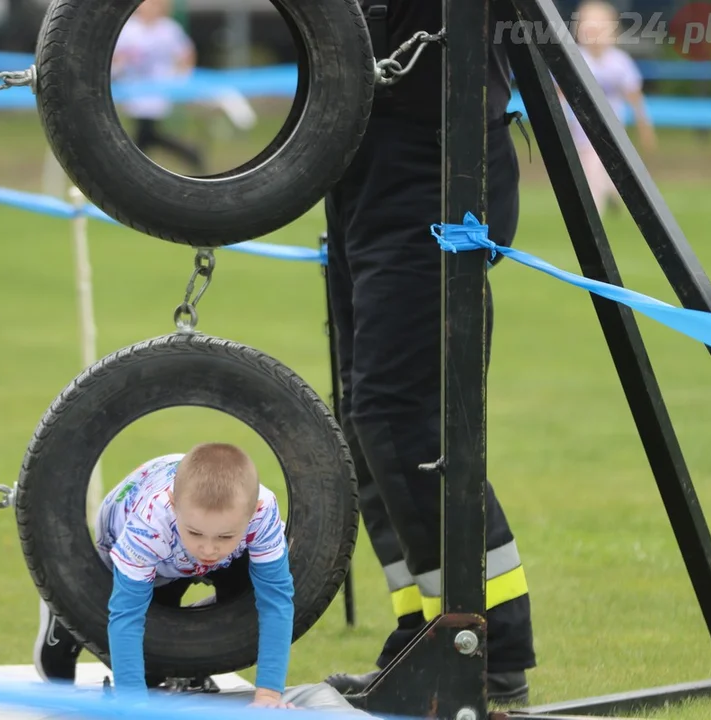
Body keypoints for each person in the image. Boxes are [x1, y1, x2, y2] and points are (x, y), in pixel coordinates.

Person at [319, 2, 536, 706]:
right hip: (359, 157)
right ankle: (424, 637)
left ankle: (490, 646)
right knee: (367, 419)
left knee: (396, 415)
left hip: (438, 161)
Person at [33, 443, 295, 708]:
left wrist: (269, 694)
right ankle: (63, 614)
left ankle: (201, 593)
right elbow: (127, 615)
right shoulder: (150, 525)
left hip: (190, 542)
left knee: (248, 608)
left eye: (224, 536)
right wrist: (133, 704)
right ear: (173, 506)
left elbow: (276, 600)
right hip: (153, 553)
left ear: (252, 513)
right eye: (195, 533)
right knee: (152, 672)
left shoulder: (263, 512)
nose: (208, 549)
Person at [566, 0, 657, 215]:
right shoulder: (573, 59)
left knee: (596, 167)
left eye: (600, 27)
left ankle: (593, 211)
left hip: (612, 128)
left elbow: (634, 96)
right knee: (593, 166)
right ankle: (610, 195)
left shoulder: (619, 62)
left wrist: (644, 127)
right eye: (588, 26)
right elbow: (559, 93)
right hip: (580, 130)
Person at [112, 0, 207, 174]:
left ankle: (135, 169)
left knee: (145, 133)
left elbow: (186, 53)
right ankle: (188, 153)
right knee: (147, 134)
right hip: (134, 89)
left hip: (157, 91)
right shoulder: (129, 29)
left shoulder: (169, 30)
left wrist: (181, 78)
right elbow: (117, 56)